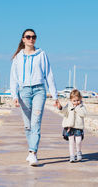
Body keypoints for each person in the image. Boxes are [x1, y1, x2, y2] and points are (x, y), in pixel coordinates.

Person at [10, 28, 59, 166]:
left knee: (35, 122)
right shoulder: (18, 57)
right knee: (27, 125)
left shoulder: (41, 54)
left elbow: (49, 74)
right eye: (28, 37)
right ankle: (30, 150)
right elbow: (13, 78)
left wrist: (55, 96)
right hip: (23, 92)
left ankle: (33, 153)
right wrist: (14, 95)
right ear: (23, 39)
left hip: (39, 91)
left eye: (34, 37)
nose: (31, 39)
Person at [56, 89, 87, 162]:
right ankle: (72, 156)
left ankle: (79, 152)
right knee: (71, 142)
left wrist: (77, 108)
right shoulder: (68, 105)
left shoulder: (82, 106)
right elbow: (64, 112)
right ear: (71, 100)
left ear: (80, 99)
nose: (76, 102)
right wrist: (60, 107)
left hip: (78, 127)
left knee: (78, 141)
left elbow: (84, 114)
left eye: (78, 100)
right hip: (69, 126)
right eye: (74, 101)